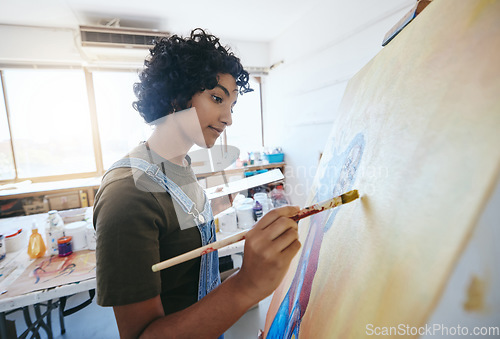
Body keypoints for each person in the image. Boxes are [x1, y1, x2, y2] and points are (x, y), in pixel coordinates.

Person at [93, 28, 301, 338]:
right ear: (177, 96)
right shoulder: (128, 194)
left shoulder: (180, 167)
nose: (228, 118)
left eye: (231, 106)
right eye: (217, 99)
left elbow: (183, 269)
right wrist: (247, 285)